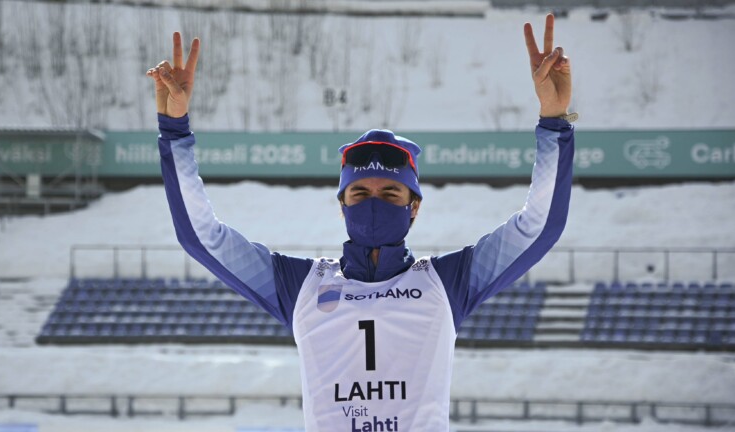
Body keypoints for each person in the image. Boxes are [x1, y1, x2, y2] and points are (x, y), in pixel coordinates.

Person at [147, 13, 574, 432]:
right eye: (359, 193)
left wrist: (554, 121)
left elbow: (537, 227)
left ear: (414, 207)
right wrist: (175, 130)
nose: (374, 203)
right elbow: (203, 237)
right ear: (341, 205)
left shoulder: (447, 282)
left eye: (390, 193)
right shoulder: (302, 286)